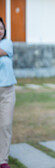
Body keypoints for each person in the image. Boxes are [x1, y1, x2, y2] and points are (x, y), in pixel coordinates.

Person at [0, 17, 17, 168]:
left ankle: (2, 161)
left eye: (1, 28)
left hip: (7, 91)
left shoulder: (7, 43)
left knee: (5, 125)